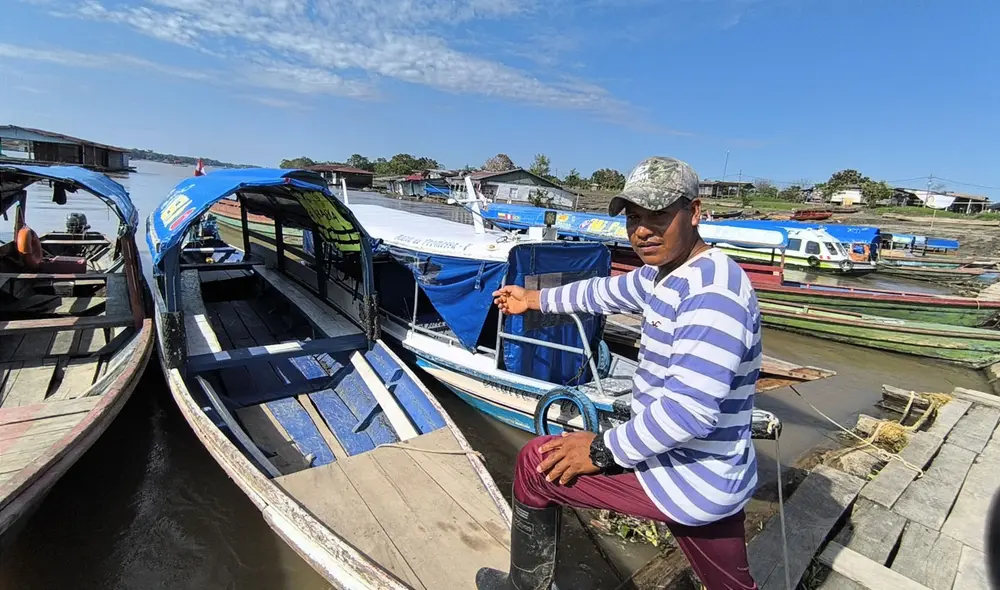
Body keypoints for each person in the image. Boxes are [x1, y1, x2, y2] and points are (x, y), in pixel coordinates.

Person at [477, 157, 761, 590]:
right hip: (716, 476)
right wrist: (531, 300)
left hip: (682, 476)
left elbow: (687, 413)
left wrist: (601, 451)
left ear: (696, 213)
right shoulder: (666, 274)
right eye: (633, 218)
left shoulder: (712, 294)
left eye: (659, 216)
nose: (643, 231)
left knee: (536, 464)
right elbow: (602, 291)